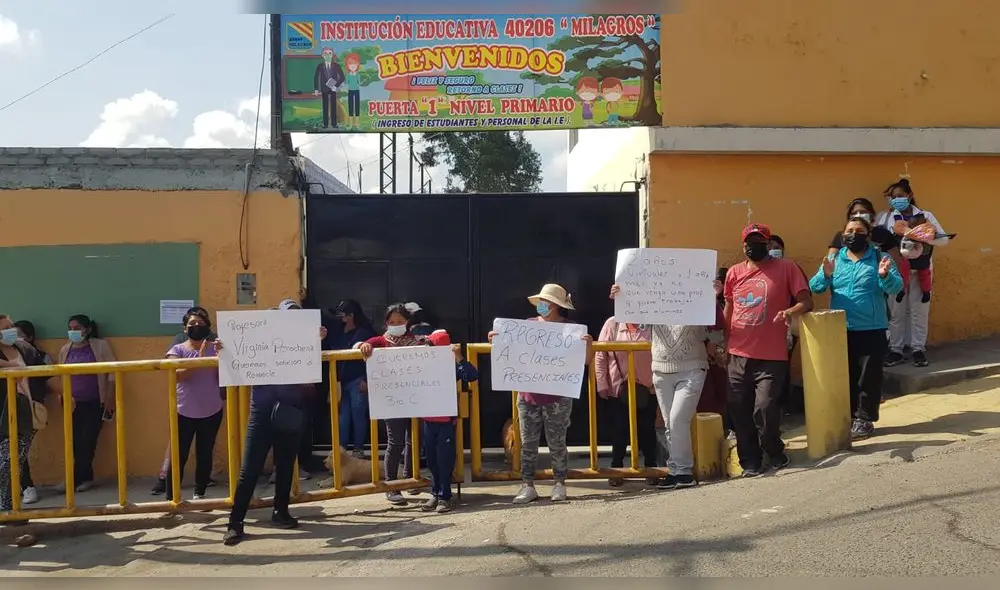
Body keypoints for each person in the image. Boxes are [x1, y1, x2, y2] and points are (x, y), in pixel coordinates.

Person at [222, 298, 327, 546]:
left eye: (296, 315)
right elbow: (236, 358)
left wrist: (316, 344)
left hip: (291, 409)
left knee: (285, 464)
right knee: (250, 469)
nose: (291, 320)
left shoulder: (308, 343)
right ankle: (235, 523)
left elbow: (311, 384)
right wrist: (224, 348)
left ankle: (281, 512)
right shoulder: (259, 338)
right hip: (262, 410)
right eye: (287, 315)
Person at [487, 283, 594, 504]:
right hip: (528, 395)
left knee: (557, 441)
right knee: (527, 442)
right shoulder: (526, 327)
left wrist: (589, 345)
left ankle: (559, 483)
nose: (540, 306)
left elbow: (584, 361)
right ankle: (528, 485)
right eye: (540, 302)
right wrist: (495, 342)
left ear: (555, 305)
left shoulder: (571, 330)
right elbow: (508, 354)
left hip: (558, 396)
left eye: (544, 302)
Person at [608, 282, 722, 489]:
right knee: (670, 424)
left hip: (692, 369)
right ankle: (676, 470)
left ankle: (684, 470)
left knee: (678, 420)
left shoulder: (697, 304)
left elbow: (716, 326)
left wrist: (712, 298)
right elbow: (633, 318)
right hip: (661, 371)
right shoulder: (653, 308)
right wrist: (621, 298)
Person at [724, 224, 813, 477]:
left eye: (759, 241)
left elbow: (806, 301)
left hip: (772, 354)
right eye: (749, 241)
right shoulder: (734, 273)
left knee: (765, 408)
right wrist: (725, 346)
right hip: (738, 353)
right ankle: (750, 461)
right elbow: (729, 311)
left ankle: (773, 449)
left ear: (768, 243)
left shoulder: (787, 268)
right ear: (743, 245)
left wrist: (789, 311)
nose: (754, 245)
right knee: (739, 410)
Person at [810, 217, 903, 439]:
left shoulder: (880, 257)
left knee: (868, 377)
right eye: (849, 230)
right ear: (843, 235)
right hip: (839, 329)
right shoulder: (834, 259)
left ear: (867, 235)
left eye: (859, 230)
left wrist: (884, 275)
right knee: (844, 376)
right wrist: (826, 274)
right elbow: (815, 287)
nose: (853, 234)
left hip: (872, 327)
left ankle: (864, 419)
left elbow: (896, 286)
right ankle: (848, 416)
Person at [876, 179, 948, 368]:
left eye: (900, 196)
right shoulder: (885, 218)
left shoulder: (926, 215)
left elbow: (943, 240)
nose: (896, 199)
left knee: (919, 310)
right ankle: (896, 350)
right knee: (896, 311)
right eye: (893, 197)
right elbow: (876, 240)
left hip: (922, 270)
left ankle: (918, 349)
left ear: (909, 195)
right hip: (896, 271)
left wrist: (921, 236)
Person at [356, 303, 423, 506]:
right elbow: (358, 345)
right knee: (395, 441)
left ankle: (411, 480)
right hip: (391, 399)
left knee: (414, 439)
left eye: (400, 322)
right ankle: (391, 484)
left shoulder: (417, 341)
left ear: (407, 322)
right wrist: (362, 346)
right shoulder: (380, 341)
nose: (396, 325)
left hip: (414, 396)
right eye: (392, 322)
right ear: (386, 323)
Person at [153, 307, 219, 496]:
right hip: (183, 410)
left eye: (200, 324)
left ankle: (200, 493)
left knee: (204, 454)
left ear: (208, 327)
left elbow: (224, 375)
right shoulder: (177, 349)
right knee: (178, 454)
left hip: (212, 409)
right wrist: (199, 359)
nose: (196, 327)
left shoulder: (216, 349)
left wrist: (223, 354)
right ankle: (172, 496)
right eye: (192, 324)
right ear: (184, 329)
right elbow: (177, 376)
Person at [593, 316, 657, 487]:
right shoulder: (612, 324)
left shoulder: (653, 322)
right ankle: (616, 469)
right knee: (620, 430)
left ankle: (651, 468)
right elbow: (600, 355)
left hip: (649, 388)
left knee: (647, 429)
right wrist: (601, 383)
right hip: (618, 389)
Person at [55, 314, 116, 493]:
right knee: (74, 442)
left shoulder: (99, 346)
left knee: (87, 442)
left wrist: (110, 397)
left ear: (87, 329)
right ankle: (85, 478)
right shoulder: (66, 349)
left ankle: (73, 481)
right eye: (70, 328)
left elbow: (112, 372)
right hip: (72, 404)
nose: (73, 332)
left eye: (77, 328)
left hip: (95, 402)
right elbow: (60, 375)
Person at [0, 314, 51, 514]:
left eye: (11, 326)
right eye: (5, 328)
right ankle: (8, 508)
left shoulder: (25, 348)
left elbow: (46, 374)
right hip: (3, 413)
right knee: (7, 463)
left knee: (11, 463)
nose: (10, 330)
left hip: (25, 414)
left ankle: (9, 509)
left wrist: (65, 392)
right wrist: (10, 366)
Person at [12, 320, 51, 505]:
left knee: (15, 452)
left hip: (25, 409)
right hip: (7, 410)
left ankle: (25, 489)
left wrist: (66, 395)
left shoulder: (30, 352)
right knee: (10, 455)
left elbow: (49, 378)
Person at [313, 47, 345, 129]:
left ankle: (334, 124)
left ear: (332, 55)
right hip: (324, 89)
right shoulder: (320, 66)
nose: (327, 55)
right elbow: (316, 77)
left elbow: (342, 77)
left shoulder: (336, 66)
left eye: (329, 53)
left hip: (333, 89)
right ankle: (325, 124)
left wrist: (336, 86)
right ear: (322, 55)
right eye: (325, 53)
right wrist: (316, 89)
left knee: (333, 107)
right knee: (325, 107)